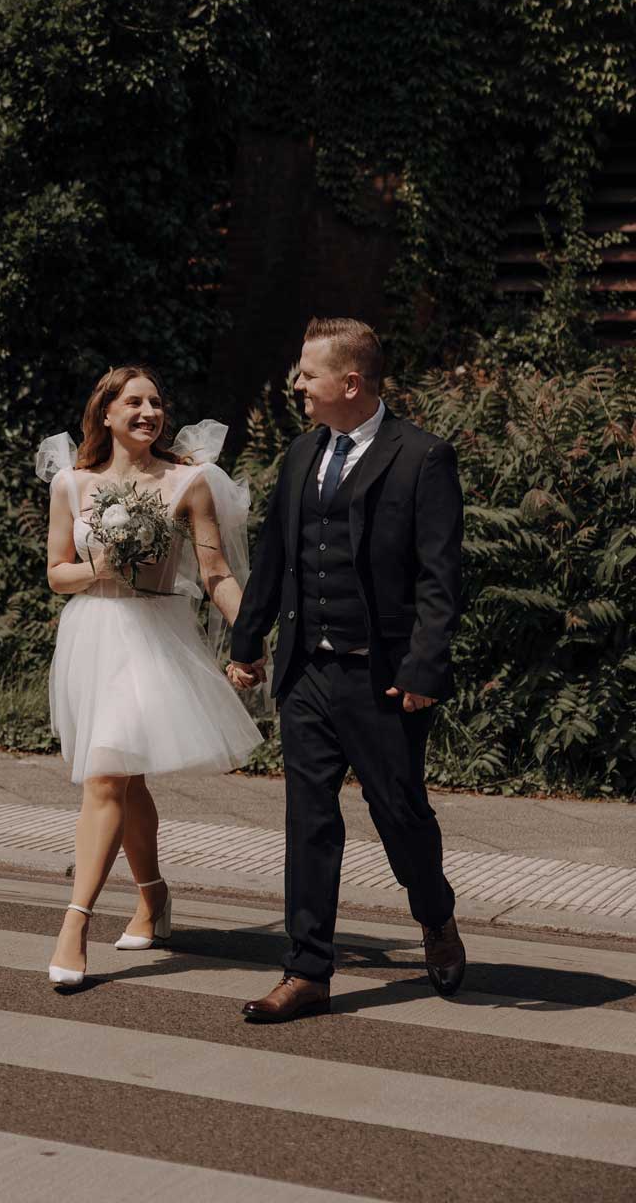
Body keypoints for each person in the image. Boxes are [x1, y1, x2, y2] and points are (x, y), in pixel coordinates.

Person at [229, 316, 466, 1022]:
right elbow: (276, 556)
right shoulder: (302, 454)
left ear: (350, 382)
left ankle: (435, 915)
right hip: (308, 674)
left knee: (400, 814)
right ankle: (306, 971)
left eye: (308, 373)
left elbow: (439, 576)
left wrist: (424, 668)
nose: (297, 384)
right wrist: (248, 643)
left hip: (384, 679)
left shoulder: (422, 457)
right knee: (308, 821)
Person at [37, 364, 264, 988]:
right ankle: (154, 896)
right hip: (95, 637)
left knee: (109, 776)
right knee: (123, 783)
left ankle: (74, 924)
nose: (148, 412)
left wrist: (250, 636)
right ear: (105, 414)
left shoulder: (189, 482)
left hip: (154, 637)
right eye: (133, 402)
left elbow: (216, 573)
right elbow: (56, 572)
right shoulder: (71, 483)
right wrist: (98, 568)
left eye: (156, 403)